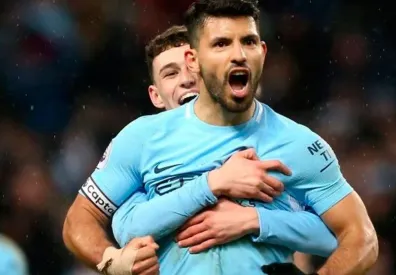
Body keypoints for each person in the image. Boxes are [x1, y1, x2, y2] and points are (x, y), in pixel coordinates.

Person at [80, 0, 378, 274]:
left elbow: (360, 238)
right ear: (194, 59)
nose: (238, 55)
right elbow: (84, 221)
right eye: (221, 44)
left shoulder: (299, 144)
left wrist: (255, 221)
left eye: (247, 42)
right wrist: (111, 261)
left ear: (262, 52)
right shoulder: (143, 138)